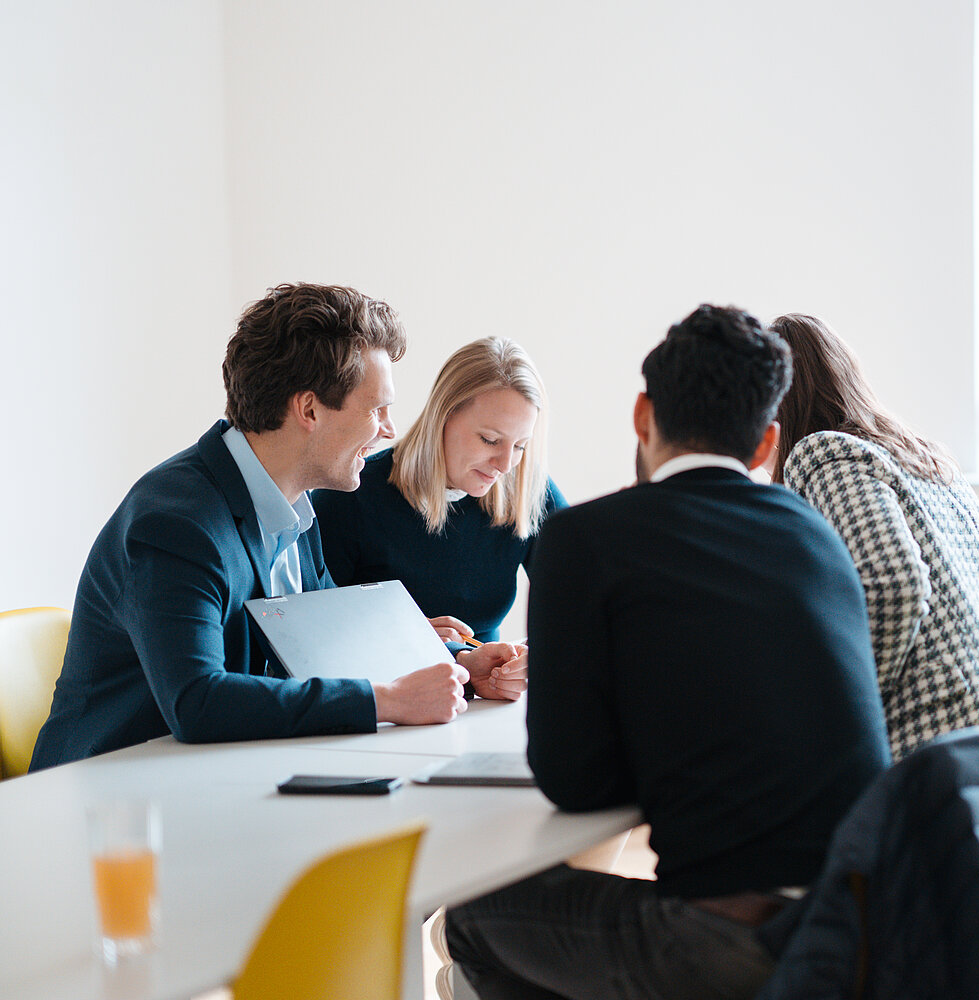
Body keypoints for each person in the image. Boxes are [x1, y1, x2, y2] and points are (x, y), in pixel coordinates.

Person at [442, 305, 891, 1000]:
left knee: (472, 917)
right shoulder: (815, 537)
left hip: (736, 946)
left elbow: (573, 780)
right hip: (867, 936)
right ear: (768, 443)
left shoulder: (585, 540)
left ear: (642, 414)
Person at [30, 283, 514, 771]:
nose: (389, 429)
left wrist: (459, 666)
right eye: (376, 409)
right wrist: (385, 701)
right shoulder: (175, 522)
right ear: (309, 410)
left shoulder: (297, 503)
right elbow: (197, 701)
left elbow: (331, 644)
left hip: (217, 777)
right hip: (110, 800)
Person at [767, 313, 979, 832]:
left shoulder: (824, 453)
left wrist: (848, 703)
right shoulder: (927, 459)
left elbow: (892, 586)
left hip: (975, 782)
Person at [313, 337, 563, 697]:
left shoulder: (529, 490)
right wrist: (403, 635)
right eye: (490, 440)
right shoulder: (351, 493)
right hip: (379, 709)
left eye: (521, 445)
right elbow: (313, 634)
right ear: (441, 417)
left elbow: (588, 600)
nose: (506, 465)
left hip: (482, 706)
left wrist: (535, 655)